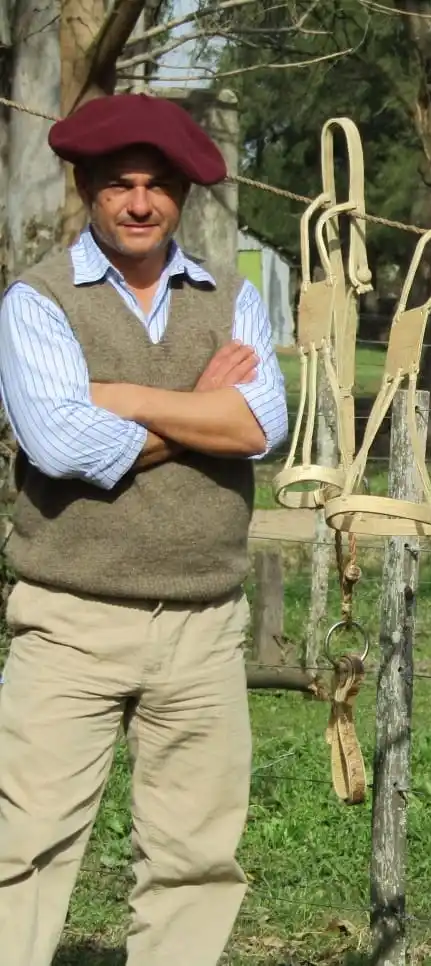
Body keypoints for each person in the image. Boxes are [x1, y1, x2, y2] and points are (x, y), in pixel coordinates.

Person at [0, 93, 289, 966]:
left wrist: (119, 399)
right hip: (71, 618)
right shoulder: (36, 300)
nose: (139, 202)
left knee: (196, 858)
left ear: (183, 198)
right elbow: (59, 445)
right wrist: (203, 403)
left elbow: (261, 429)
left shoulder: (233, 298)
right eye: (120, 183)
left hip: (204, 623)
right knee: (25, 847)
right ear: (87, 186)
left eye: (158, 186)